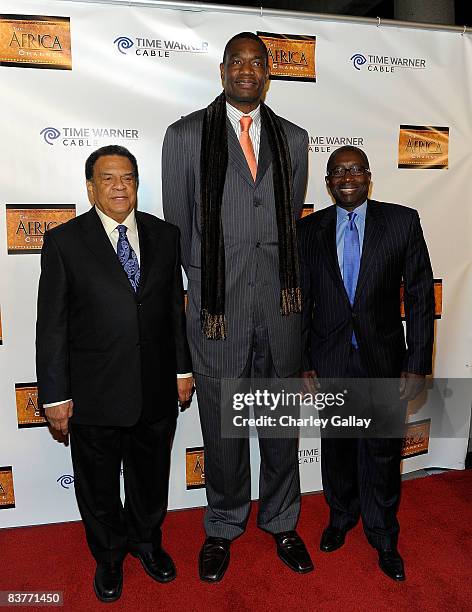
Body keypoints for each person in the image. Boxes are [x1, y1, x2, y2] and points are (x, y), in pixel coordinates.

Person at [162, 32, 313, 582]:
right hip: (217, 314)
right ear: (222, 69)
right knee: (223, 431)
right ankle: (223, 525)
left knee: (279, 430)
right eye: (237, 61)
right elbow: (179, 232)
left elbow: (286, 226)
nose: (247, 70)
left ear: (268, 73)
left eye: (258, 63)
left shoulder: (293, 140)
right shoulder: (184, 136)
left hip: (279, 312)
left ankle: (282, 520)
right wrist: (210, 292)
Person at [36, 145, 193, 602]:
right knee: (99, 485)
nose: (119, 185)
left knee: (149, 477)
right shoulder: (64, 242)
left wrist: (183, 369)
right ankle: (108, 557)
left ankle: (146, 542)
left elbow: (172, 312)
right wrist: (53, 396)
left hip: (156, 388)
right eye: (108, 178)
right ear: (91, 187)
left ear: (137, 183)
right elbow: (52, 326)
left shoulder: (166, 236)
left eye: (127, 176)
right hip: (95, 394)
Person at [298, 145, 434, 581]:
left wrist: (417, 363)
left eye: (356, 169)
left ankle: (382, 533)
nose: (348, 177)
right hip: (331, 357)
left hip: (383, 359)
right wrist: (304, 360)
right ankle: (341, 518)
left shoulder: (401, 222)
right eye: (338, 172)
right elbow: (300, 302)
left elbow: (418, 295)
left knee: (381, 450)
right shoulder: (309, 230)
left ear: (369, 176)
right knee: (337, 448)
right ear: (327, 182)